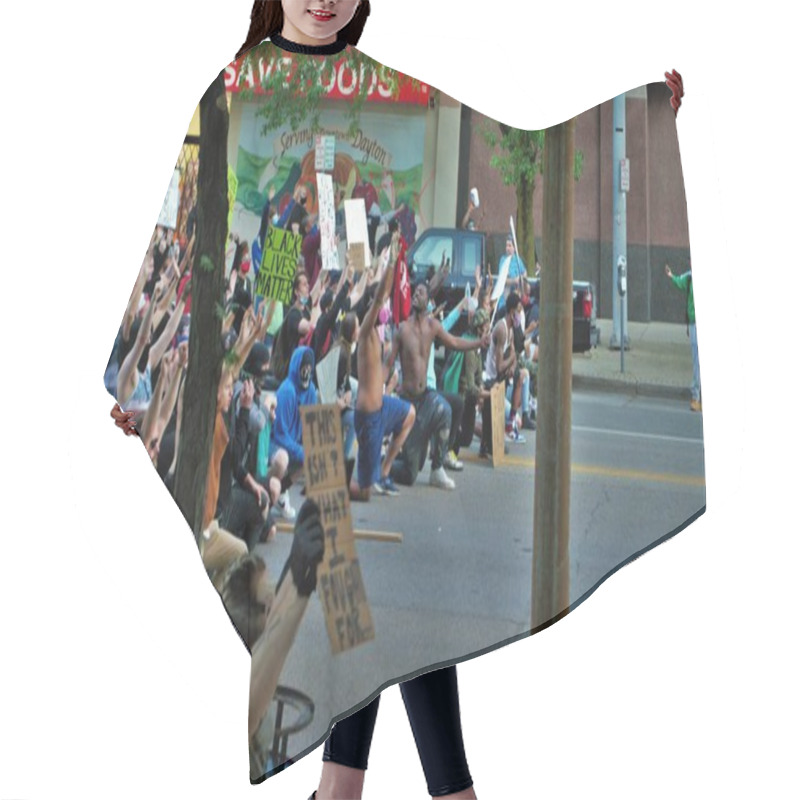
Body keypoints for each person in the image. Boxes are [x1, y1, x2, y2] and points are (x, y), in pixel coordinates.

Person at [386, 278, 488, 490]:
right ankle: (381, 465)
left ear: (429, 300)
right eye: (414, 293)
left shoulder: (433, 327)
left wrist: (479, 343)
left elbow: (455, 342)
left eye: (420, 293)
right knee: (409, 473)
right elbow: (387, 365)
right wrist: (379, 391)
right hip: (408, 403)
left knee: (446, 409)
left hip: (426, 397)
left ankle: (437, 469)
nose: (415, 295)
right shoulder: (402, 330)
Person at [350, 231, 416, 501]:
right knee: (364, 493)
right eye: (381, 307)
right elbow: (379, 297)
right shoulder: (366, 331)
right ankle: (333, 484)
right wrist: (390, 260)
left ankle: (384, 472)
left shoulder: (378, 334)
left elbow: (385, 293)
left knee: (410, 414)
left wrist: (389, 379)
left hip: (383, 407)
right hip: (368, 417)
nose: (386, 309)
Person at [665, 261, 701, 411]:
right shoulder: (689, 278)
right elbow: (680, 281)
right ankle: (696, 397)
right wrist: (671, 275)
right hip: (694, 324)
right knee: (697, 362)